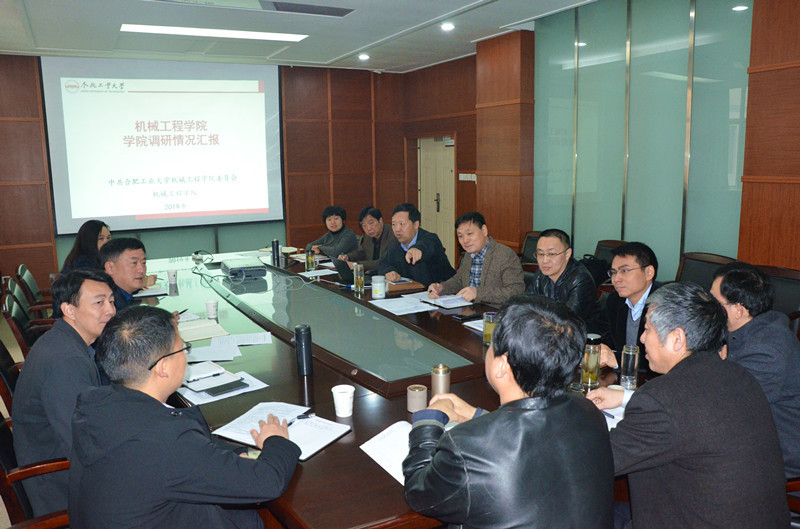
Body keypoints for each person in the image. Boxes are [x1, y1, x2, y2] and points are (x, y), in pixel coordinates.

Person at [69, 305, 301, 529]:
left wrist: (238, 455)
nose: (186, 356)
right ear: (162, 367)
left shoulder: (97, 404)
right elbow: (267, 482)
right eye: (183, 348)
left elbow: (189, 455)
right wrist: (276, 440)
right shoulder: (164, 439)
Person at [587, 282, 788, 528]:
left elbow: (596, 462)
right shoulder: (738, 374)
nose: (642, 338)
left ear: (677, 338)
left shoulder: (662, 398)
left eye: (647, 329)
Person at [403, 295, 613, 528]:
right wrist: (478, 417)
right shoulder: (589, 411)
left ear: (502, 365)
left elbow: (420, 494)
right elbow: (536, 441)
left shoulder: (466, 447)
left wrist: (428, 422)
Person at [12, 269, 116, 516]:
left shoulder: (63, 340)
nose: (111, 310)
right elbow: (82, 444)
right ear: (69, 310)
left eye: (112, 301)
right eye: (99, 302)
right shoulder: (67, 361)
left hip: (61, 466)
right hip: (59, 486)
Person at [711, 261, 800, 477]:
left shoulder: (766, 350)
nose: (707, 306)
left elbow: (726, 406)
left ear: (738, 310)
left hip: (778, 454)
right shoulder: (746, 327)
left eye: (713, 301)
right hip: (748, 436)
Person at [427, 211, 524, 304]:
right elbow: (459, 280)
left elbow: (516, 291)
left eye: (469, 234)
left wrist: (478, 293)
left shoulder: (504, 255)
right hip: (469, 309)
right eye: (460, 236)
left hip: (495, 311)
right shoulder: (468, 255)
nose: (465, 240)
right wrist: (441, 288)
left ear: (484, 231)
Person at [525, 228, 606, 336]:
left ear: (567, 253)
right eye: (540, 254)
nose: (544, 260)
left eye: (551, 254)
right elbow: (526, 305)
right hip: (549, 332)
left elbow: (567, 321)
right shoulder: (541, 274)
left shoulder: (580, 280)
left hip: (581, 338)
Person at [599, 242, 660, 371]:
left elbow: (662, 361)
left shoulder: (663, 306)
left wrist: (618, 360)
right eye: (613, 272)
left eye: (624, 271)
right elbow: (605, 335)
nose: (616, 279)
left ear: (649, 272)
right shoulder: (615, 300)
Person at [378, 203, 455, 287]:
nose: (397, 229)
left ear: (416, 225)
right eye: (394, 224)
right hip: (412, 291)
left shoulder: (431, 238)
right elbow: (383, 263)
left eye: (402, 224)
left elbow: (427, 245)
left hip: (443, 290)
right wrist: (389, 271)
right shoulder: (396, 244)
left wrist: (417, 249)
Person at [99, 237, 156, 311]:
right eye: (134, 263)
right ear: (110, 268)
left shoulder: (124, 293)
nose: (141, 270)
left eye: (143, 263)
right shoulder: (107, 305)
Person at [338, 206, 396, 272]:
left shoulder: (392, 235)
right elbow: (361, 253)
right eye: (364, 225)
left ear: (380, 220)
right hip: (372, 273)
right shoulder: (367, 236)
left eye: (371, 223)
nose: (368, 228)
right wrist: (348, 257)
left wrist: (356, 265)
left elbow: (383, 262)